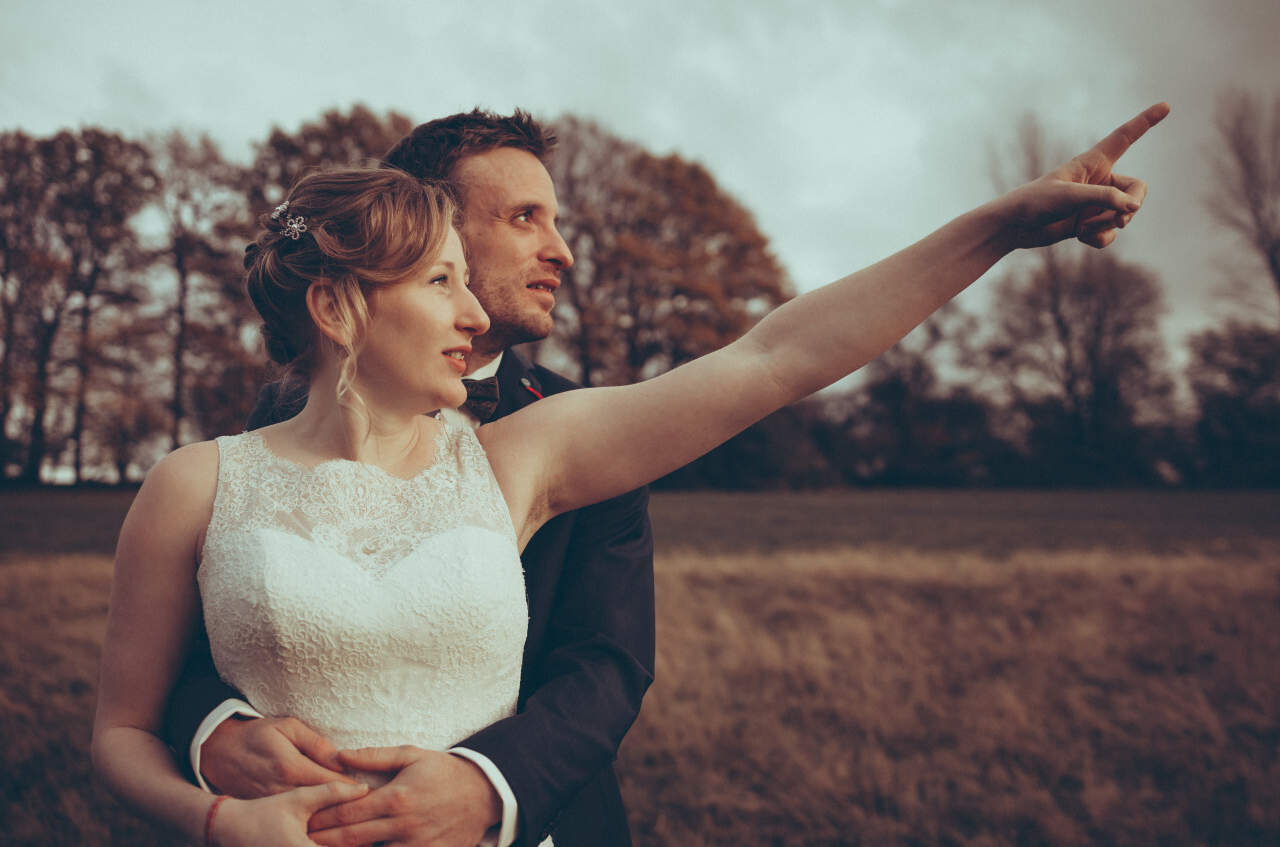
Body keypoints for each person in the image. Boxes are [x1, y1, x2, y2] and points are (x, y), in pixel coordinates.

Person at [92, 102, 1170, 847]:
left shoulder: (529, 452)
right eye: (442, 279)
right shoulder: (196, 481)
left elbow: (772, 359)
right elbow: (126, 724)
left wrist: (993, 226)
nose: (475, 312)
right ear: (339, 305)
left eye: (473, 284)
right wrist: (219, 811)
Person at [161, 111, 655, 847]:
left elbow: (607, 660)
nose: (563, 252)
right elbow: (205, 629)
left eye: (555, 220)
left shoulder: (578, 431)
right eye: (527, 218)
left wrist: (489, 783)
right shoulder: (274, 419)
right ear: (424, 228)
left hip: (537, 818)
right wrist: (214, 732)